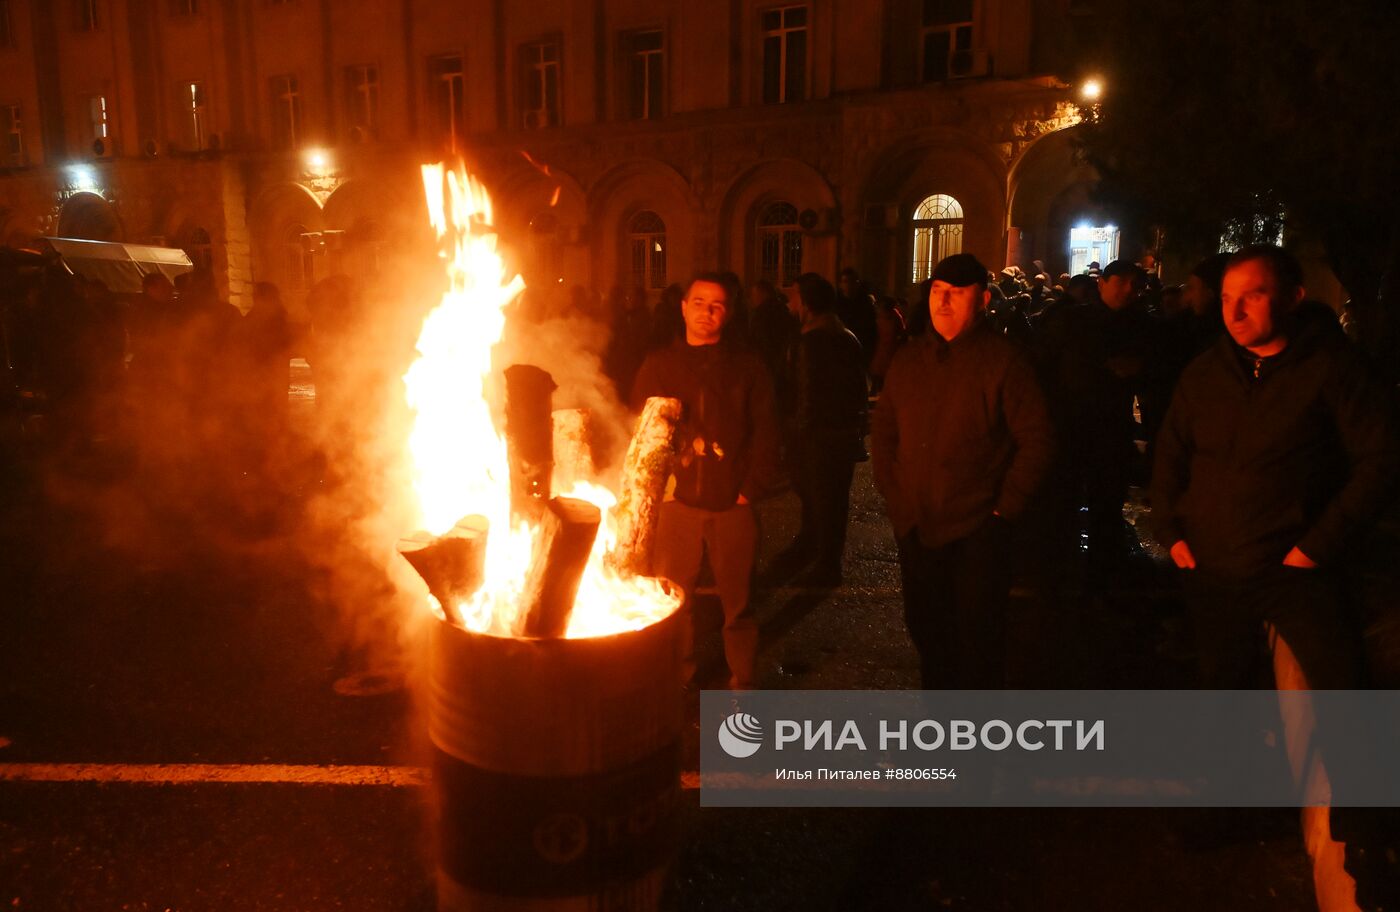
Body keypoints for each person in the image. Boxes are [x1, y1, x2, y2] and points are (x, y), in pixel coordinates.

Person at [1152, 244, 1398, 693]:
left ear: (1292, 298)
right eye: (1227, 297)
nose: (1236, 311)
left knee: (1334, 696)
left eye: (1254, 296)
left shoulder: (1333, 369)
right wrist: (1171, 530)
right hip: (1213, 569)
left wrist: (1317, 546)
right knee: (1225, 691)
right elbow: (1171, 451)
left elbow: (1381, 459)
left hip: (1297, 573)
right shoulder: (1206, 373)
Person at [871, 253, 1054, 689]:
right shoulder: (909, 360)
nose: (944, 302)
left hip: (978, 532)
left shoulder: (1004, 362)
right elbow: (883, 434)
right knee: (928, 633)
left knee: (977, 642)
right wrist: (898, 500)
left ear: (984, 299)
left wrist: (1002, 510)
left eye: (957, 293)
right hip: (917, 527)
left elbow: (1038, 440)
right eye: (937, 291)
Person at [631, 272, 780, 690]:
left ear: (728, 313)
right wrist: (663, 482)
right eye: (698, 302)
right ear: (683, 307)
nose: (706, 312)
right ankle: (678, 678)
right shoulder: (660, 365)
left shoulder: (747, 367)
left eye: (716, 305)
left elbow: (767, 431)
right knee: (676, 601)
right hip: (678, 505)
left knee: (739, 602)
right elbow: (642, 429)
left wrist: (750, 489)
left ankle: (743, 681)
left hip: (734, 503)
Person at [774, 273, 867, 587]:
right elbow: (859, 390)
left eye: (794, 296)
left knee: (823, 497)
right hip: (838, 432)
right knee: (827, 497)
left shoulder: (810, 341)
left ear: (807, 303)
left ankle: (827, 562)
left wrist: (795, 435)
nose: (789, 302)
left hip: (816, 434)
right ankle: (814, 546)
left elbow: (805, 391)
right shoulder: (847, 336)